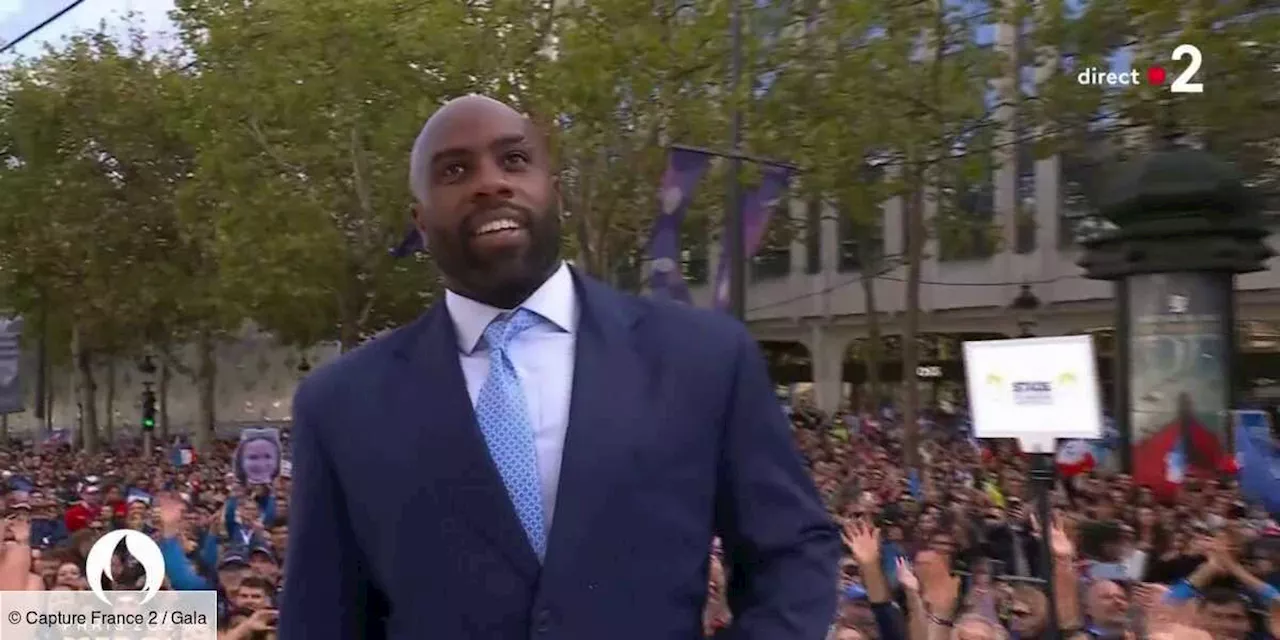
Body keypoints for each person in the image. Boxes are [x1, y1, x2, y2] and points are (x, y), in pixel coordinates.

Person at [279, 95, 839, 639]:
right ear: (420, 223)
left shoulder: (704, 358)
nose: (491, 182)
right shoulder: (341, 406)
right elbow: (320, 618)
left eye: (515, 160)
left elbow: (791, 550)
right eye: (454, 170)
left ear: (556, 193)